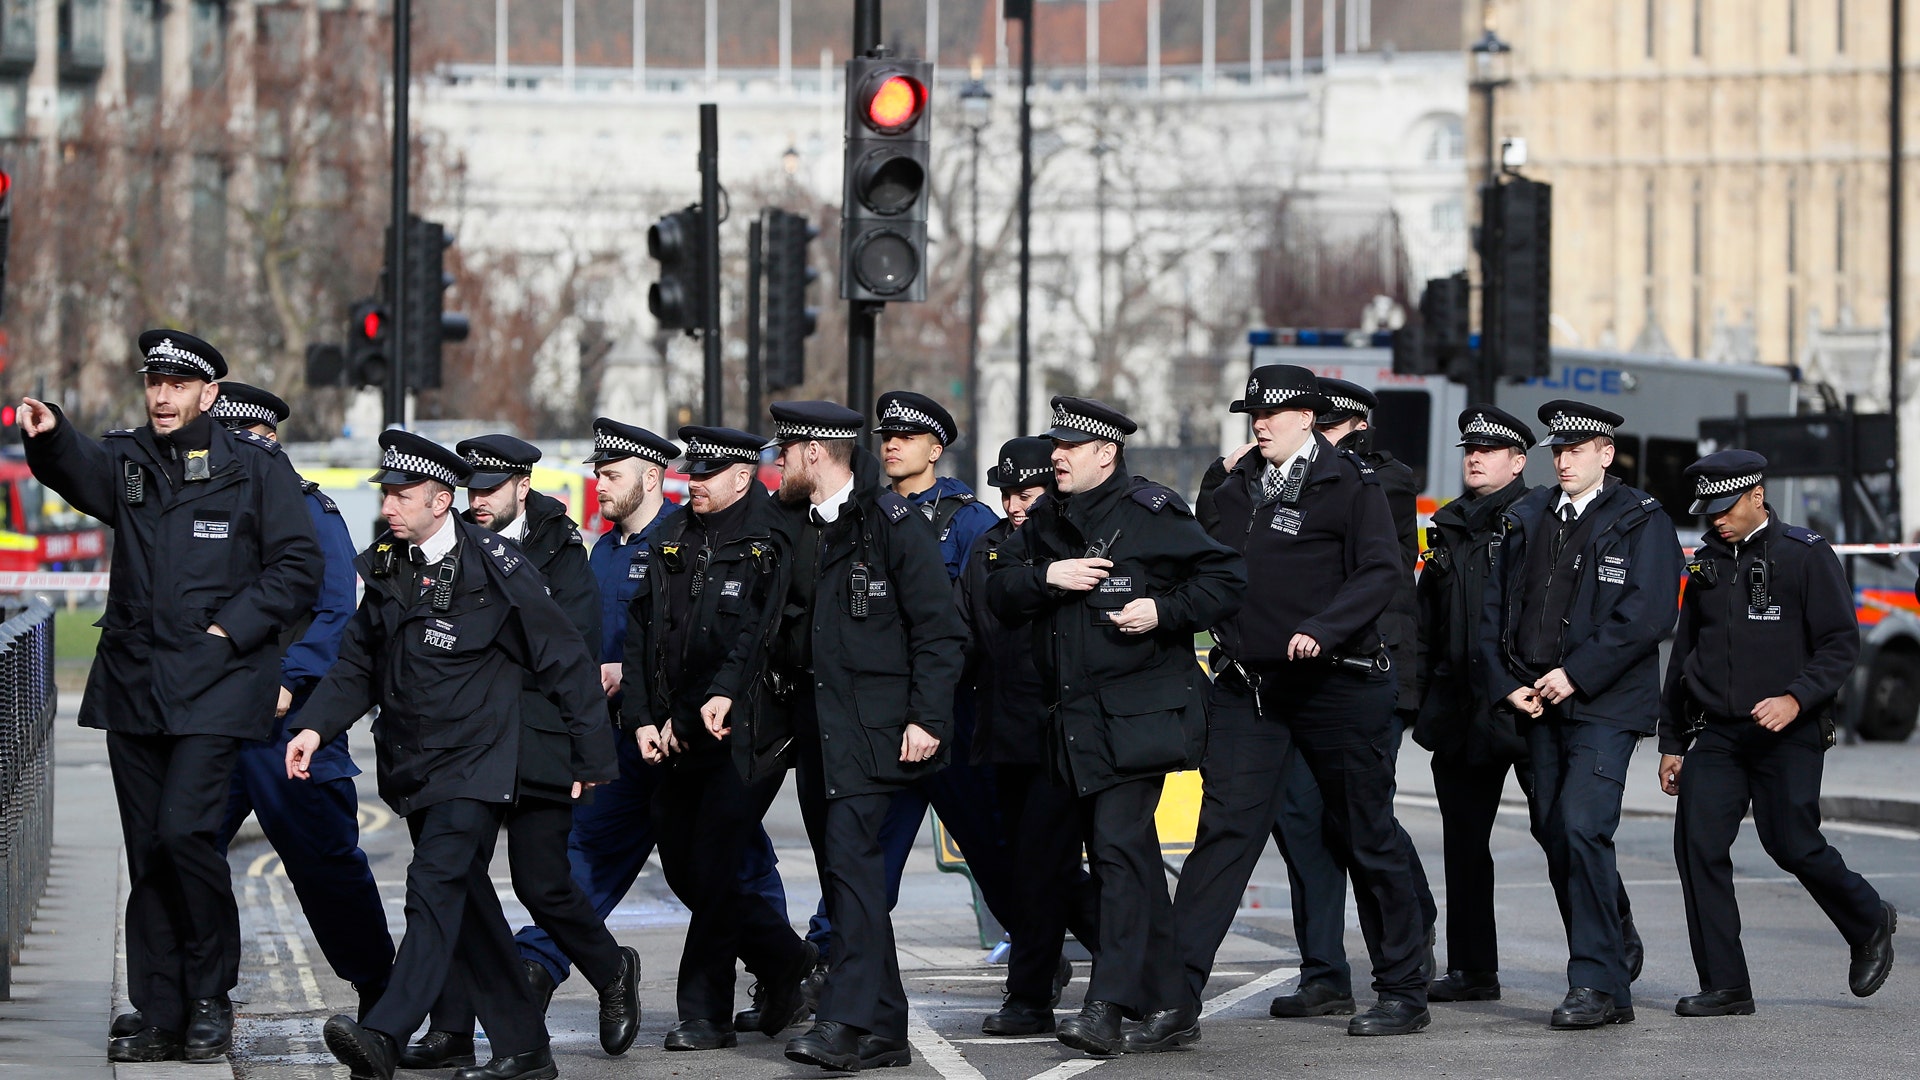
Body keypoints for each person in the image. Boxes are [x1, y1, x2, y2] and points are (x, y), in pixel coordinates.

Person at [19, 332, 323, 1064]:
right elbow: (83, 470)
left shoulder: (255, 470)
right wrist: (53, 433)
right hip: (135, 687)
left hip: (217, 687)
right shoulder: (130, 461)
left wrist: (227, 632)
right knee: (149, 847)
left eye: (177, 385)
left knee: (188, 832)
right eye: (154, 382)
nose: (162, 396)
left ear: (208, 395)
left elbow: (298, 567)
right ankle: (160, 1009)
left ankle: (210, 995)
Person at [287, 430, 616, 1080]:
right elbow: (358, 661)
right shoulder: (389, 564)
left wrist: (591, 757)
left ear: (441, 500)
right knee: (463, 901)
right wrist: (314, 727)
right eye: (387, 493)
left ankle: (384, 1030)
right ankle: (525, 1048)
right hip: (417, 765)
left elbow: (564, 657)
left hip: (479, 762)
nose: (389, 506)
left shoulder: (496, 564)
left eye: (402, 495)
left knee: (432, 887)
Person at [1175, 366, 1429, 1037]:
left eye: (1274, 412)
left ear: (1309, 416)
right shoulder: (1232, 490)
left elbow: (1381, 571)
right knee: (1224, 836)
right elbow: (1201, 569)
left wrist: (1324, 628)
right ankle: (1173, 1000)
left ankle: (1403, 988)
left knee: (1364, 834)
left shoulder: (1349, 483)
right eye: (1252, 412)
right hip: (1249, 689)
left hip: (1337, 685)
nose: (1260, 422)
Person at [988, 396, 1245, 1056]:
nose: (1057, 457)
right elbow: (1000, 590)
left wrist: (1163, 610)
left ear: (1106, 453)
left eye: (1069, 448)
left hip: (1136, 720)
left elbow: (1225, 577)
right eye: (1056, 447)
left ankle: (1107, 1004)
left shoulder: (1150, 512)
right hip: (1069, 723)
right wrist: (1050, 575)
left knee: (1118, 854)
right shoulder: (1047, 519)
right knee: (1107, 862)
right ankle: (1174, 1002)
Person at [509, 418, 787, 1024]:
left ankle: (782, 971)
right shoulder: (602, 550)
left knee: (734, 861)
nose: (599, 486)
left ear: (653, 477)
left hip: (689, 735)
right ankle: (536, 966)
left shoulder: (688, 537)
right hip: (622, 737)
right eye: (598, 475)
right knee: (586, 853)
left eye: (611, 475)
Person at [398, 434, 639, 1069]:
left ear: (521, 489)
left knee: (542, 882)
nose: (478, 503)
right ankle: (451, 1027)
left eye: (490, 491)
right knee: (454, 881)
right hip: (472, 746)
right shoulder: (451, 546)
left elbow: (572, 651)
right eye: (470, 491)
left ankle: (612, 969)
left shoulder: (562, 554)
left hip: (538, 739)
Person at [1659, 450, 1897, 1015]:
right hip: (1716, 732)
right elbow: (1684, 652)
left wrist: (1796, 698)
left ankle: (1868, 920)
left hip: (1789, 729)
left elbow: (1842, 644)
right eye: (1707, 510)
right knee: (1697, 847)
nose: (1715, 519)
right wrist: (1672, 740)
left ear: (1757, 496)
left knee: (1791, 842)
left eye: (1725, 508)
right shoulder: (1706, 564)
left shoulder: (1805, 555)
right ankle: (1726, 985)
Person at [768, 401, 968, 1072]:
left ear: (814, 455)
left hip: (876, 733)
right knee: (844, 876)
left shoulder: (890, 525)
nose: (778, 461)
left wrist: (927, 719)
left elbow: (941, 631)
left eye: (785, 450)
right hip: (819, 734)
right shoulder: (799, 527)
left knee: (853, 876)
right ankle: (885, 1029)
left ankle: (843, 1021)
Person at [797, 391, 1018, 995]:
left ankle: (1045, 945)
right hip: (880, 720)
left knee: (991, 846)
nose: (891, 445)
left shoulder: (969, 521)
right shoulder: (861, 516)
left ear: (935, 449)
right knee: (864, 851)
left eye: (908, 437)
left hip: (953, 711)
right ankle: (829, 959)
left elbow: (978, 621)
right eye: (886, 436)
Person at [1482, 399, 1681, 1029]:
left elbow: (1649, 614)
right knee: (1555, 832)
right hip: (1539, 700)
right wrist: (1505, 681)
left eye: (1576, 449)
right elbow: (1496, 607)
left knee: (1581, 825)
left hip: (1605, 703)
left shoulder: (1641, 518)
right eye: (1558, 450)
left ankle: (1595, 983)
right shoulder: (1529, 513)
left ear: (1605, 453)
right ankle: (1614, 943)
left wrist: (1577, 674)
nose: (1564, 460)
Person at [623, 425, 817, 1051]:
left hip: (751, 730)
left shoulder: (774, 535)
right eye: (692, 475)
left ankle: (703, 1012)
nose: (694, 485)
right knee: (682, 861)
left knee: (713, 859)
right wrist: (646, 717)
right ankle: (788, 960)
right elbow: (644, 633)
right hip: (679, 729)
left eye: (707, 476)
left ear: (742, 476)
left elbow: (756, 637)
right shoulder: (674, 534)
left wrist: (701, 708)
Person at [1248, 378, 1436, 1020]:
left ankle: (1404, 974)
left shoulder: (1375, 481)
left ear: (1348, 427)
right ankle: (1325, 971)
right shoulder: (1270, 479)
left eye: (1322, 425)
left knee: (1364, 828)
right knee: (1303, 828)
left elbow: (1382, 580)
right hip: (1295, 682)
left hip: (1360, 677)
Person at [206, 383, 394, 1020]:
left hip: (290, 720)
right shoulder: (209, 503)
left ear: (264, 439)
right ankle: (199, 996)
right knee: (184, 850)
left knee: (324, 863)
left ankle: (378, 986)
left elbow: (339, 608)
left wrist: (289, 679)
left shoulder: (309, 510)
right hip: (214, 713)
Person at [958, 436, 1101, 1036]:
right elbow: (962, 632)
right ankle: (1143, 961)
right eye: (1008, 493)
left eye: (1029, 491)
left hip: (1063, 732)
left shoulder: (1075, 546)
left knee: (1044, 867)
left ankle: (1031, 993)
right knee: (1036, 869)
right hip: (1000, 731)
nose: (1016, 504)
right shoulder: (987, 549)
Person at [1412, 405, 1536, 1001]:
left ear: (1518, 462)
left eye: (1489, 451)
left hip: (1527, 702)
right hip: (1461, 704)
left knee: (1564, 831)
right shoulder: (1449, 524)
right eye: (1470, 450)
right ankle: (1471, 968)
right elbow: (1427, 618)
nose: (1475, 458)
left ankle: (1612, 936)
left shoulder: (1537, 520)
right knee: (1463, 841)